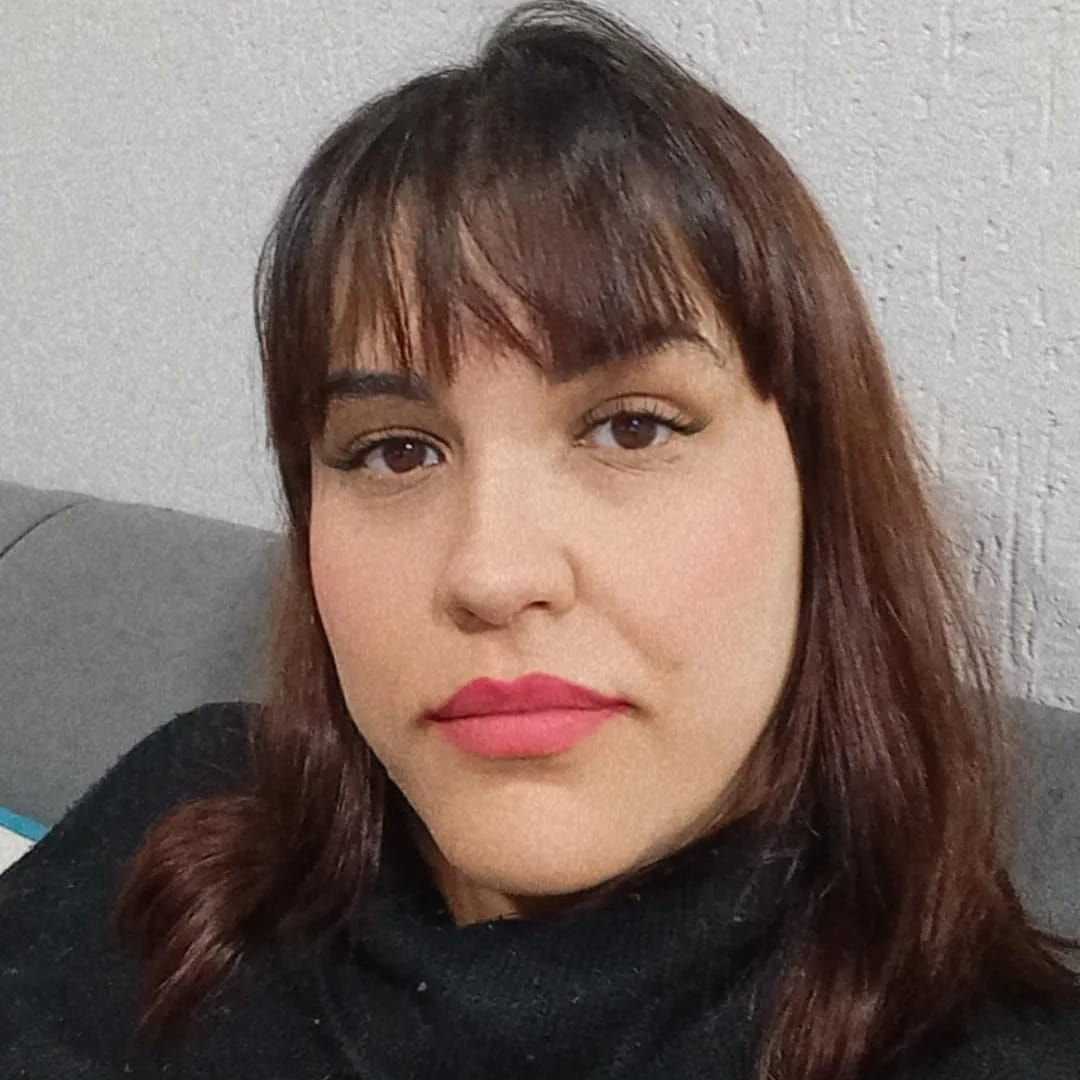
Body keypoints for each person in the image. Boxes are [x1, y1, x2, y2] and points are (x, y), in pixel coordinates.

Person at [2, 1, 1079, 1077]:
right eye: (395, 450)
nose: (492, 573)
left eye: (632, 428)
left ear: (821, 491)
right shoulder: (189, 814)